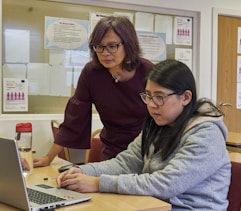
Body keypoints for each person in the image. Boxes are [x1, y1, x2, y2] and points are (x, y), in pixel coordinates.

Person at [57, 59, 231, 210]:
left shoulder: (207, 134)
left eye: (159, 97)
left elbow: (166, 184)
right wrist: (80, 171)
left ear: (185, 97)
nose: (152, 104)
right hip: (152, 205)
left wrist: (97, 183)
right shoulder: (158, 125)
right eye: (148, 96)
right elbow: (125, 163)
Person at [33, 16, 153, 167]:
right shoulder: (92, 73)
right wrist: (48, 158)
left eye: (112, 46)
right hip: (112, 151)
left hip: (148, 151)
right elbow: (74, 118)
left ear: (128, 45)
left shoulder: (148, 71)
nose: (105, 53)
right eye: (99, 46)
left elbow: (166, 116)